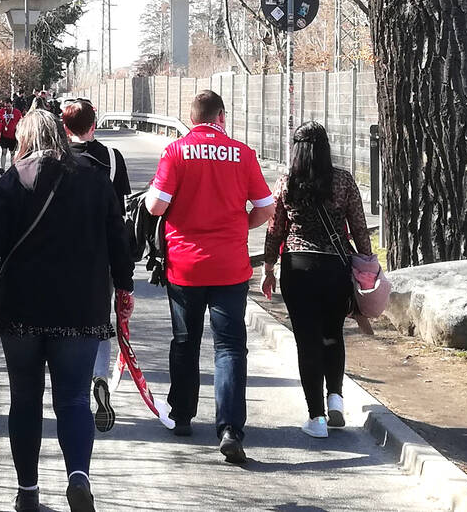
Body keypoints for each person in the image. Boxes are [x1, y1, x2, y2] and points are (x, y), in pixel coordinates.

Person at [0, 109, 135, 512]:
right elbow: (119, 240)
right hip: (81, 309)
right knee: (74, 399)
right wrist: (124, 288)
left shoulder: (14, 179)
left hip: (21, 309)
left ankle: (27, 492)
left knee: (25, 399)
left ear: (25, 138)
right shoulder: (95, 178)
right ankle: (78, 476)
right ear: (61, 134)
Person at [144, 90, 274, 465]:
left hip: (185, 266)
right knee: (230, 346)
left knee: (186, 340)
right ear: (220, 116)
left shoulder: (176, 151)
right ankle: (231, 428)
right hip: (231, 265)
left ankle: (183, 414)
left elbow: (155, 206)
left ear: (191, 116)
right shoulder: (243, 153)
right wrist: (238, 225)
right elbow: (265, 209)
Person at [261, 122, 372, 439]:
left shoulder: (287, 182)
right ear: (325, 147)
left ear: (295, 148)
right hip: (336, 269)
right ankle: (335, 397)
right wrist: (367, 264)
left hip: (298, 269)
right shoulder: (343, 181)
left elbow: (275, 230)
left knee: (307, 342)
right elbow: (360, 229)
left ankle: (316, 418)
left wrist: (269, 268)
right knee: (333, 334)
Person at [61, 99, 131, 432]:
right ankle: (99, 377)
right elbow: (123, 210)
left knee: (62, 321)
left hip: (60, 254)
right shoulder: (113, 159)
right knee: (99, 321)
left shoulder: (56, 158)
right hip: (100, 252)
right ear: (95, 125)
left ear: (64, 127)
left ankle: (71, 382)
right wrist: (125, 275)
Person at [0, 96, 23, 174]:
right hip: (4, 135)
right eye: (5, 106)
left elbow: (21, 123)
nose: (7, 108)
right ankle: (2, 169)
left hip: (13, 136)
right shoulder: (1, 112)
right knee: (3, 151)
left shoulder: (17, 112)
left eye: (9, 106)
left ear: (12, 104)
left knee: (12, 153)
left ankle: (12, 170)